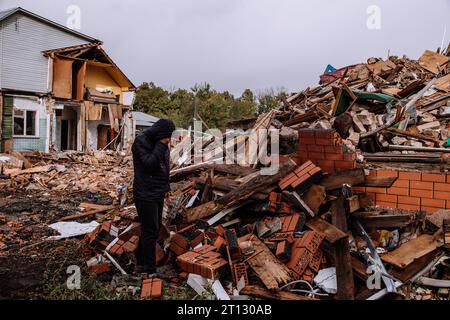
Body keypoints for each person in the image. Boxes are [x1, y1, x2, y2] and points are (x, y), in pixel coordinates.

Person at [132, 119, 175, 275]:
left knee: (153, 229)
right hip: (144, 193)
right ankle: (150, 270)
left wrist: (166, 187)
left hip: (157, 192)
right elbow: (149, 164)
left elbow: (164, 167)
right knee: (150, 231)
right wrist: (162, 145)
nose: (169, 140)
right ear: (160, 134)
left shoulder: (161, 143)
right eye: (167, 136)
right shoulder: (141, 142)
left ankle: (141, 262)